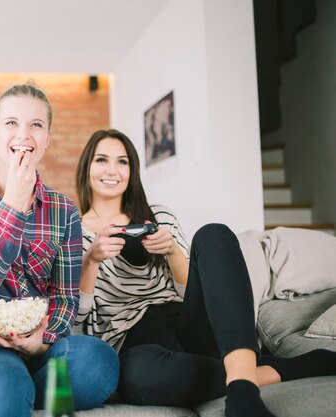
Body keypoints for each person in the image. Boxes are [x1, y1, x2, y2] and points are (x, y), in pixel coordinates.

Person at [75, 129, 336, 417]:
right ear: (87, 167)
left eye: (122, 162)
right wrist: (91, 260)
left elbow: (189, 292)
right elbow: (79, 316)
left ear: (132, 170)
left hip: (188, 323)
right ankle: (282, 367)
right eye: (102, 160)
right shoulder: (72, 234)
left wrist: (172, 251)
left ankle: (242, 392)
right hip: (135, 343)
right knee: (137, 376)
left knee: (213, 234)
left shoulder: (159, 216)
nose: (112, 170)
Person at [0, 83, 119, 417]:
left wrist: (44, 340)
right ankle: (17, 389)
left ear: (47, 138)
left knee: (99, 361)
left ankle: (22, 390)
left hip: (41, 347)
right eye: (11, 123)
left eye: (36, 125)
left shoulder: (63, 210)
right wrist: (12, 204)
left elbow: (65, 297)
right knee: (8, 380)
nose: (23, 134)